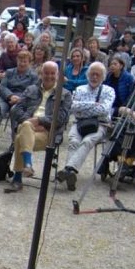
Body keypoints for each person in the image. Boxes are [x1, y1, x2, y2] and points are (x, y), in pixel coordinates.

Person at [6, 61, 71, 192]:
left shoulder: (64, 94)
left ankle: (19, 177)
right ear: (41, 74)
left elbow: (60, 118)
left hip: (47, 133)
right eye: (46, 73)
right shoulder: (31, 89)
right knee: (25, 127)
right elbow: (16, 109)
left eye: (53, 73)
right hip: (28, 128)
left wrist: (39, 121)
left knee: (20, 138)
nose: (49, 76)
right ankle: (27, 166)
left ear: (58, 75)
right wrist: (30, 122)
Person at [56, 61, 115, 191]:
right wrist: (94, 104)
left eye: (98, 75)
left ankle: (68, 169)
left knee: (87, 141)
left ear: (102, 77)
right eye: (92, 74)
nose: (94, 77)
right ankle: (70, 173)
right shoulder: (80, 89)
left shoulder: (109, 91)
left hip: (100, 124)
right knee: (73, 141)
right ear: (88, 75)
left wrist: (84, 107)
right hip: (79, 123)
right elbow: (73, 107)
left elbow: (105, 110)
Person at [104, 54, 134, 118]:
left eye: (115, 64)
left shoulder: (128, 77)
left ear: (121, 66)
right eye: (111, 64)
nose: (112, 66)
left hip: (123, 106)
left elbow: (131, 94)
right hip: (110, 105)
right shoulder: (108, 77)